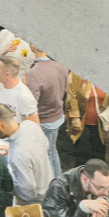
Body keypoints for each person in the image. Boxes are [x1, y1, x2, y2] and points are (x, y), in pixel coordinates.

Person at [0, 104, 52, 205]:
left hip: (34, 203)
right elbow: (45, 145)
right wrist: (11, 149)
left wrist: (6, 187)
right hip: (49, 185)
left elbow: (27, 192)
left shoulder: (18, 155)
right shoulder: (30, 125)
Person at [43, 159, 109, 217]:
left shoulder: (98, 182)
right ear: (85, 179)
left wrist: (103, 200)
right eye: (100, 188)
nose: (106, 193)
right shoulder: (59, 188)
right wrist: (82, 209)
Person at [24, 45, 69, 176]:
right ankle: (59, 179)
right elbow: (65, 89)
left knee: (44, 154)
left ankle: (51, 185)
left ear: (32, 46)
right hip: (57, 116)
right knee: (52, 150)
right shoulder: (61, 65)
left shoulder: (33, 73)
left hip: (43, 121)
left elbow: (31, 103)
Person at [65, 73, 109, 165]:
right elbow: (71, 97)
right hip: (81, 123)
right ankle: (81, 176)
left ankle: (97, 177)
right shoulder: (76, 74)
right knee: (81, 155)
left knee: (99, 155)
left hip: (100, 124)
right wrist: (75, 118)